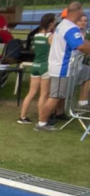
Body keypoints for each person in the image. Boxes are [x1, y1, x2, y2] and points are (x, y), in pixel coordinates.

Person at [36, 2, 90, 131]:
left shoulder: (63, 25)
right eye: (81, 11)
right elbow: (80, 46)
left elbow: (81, 42)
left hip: (61, 65)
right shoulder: (70, 28)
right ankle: (42, 123)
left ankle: (57, 114)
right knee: (55, 96)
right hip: (63, 67)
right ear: (77, 12)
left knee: (59, 95)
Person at [18, 13, 56, 124]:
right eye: (54, 22)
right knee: (44, 94)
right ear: (51, 23)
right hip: (45, 66)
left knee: (31, 92)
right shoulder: (51, 37)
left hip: (35, 65)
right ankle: (42, 119)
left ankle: (22, 117)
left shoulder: (36, 35)